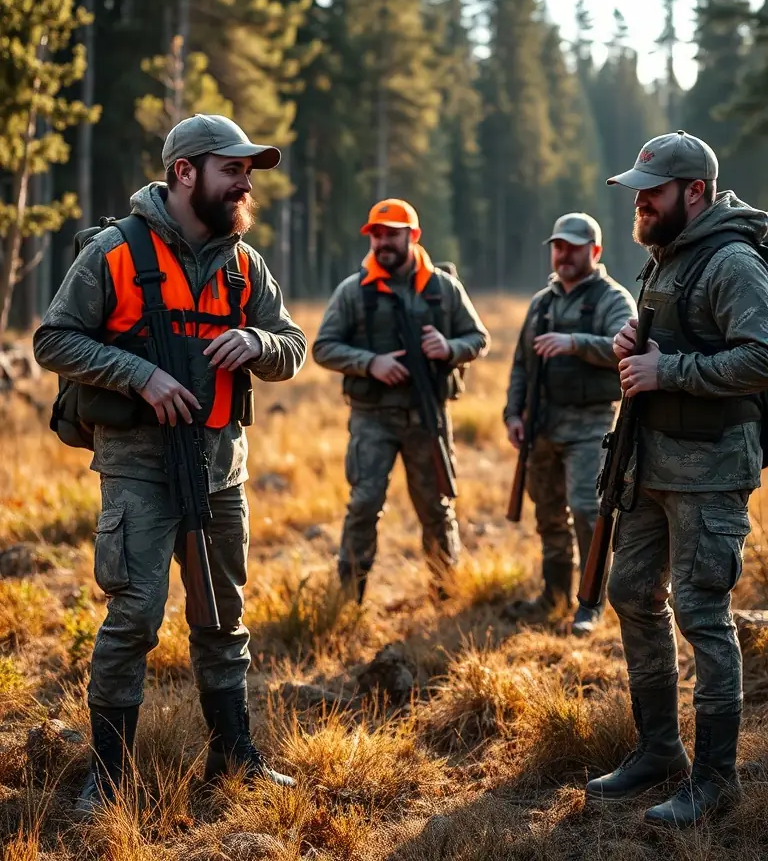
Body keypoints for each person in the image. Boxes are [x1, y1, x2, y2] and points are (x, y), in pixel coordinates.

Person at [33, 114, 307, 813]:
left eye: (250, 171)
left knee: (223, 615)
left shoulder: (245, 260)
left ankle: (234, 756)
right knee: (135, 618)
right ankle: (111, 773)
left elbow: (293, 343)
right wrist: (138, 375)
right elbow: (53, 339)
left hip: (221, 466)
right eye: (233, 169)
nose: (247, 182)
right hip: (139, 467)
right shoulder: (117, 253)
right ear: (185, 172)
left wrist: (256, 342)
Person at [585, 130, 768, 827]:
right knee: (631, 590)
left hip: (711, 470)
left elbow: (762, 356)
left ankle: (717, 781)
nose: (640, 204)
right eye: (636, 193)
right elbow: (674, 340)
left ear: (695, 191)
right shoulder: (665, 257)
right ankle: (661, 751)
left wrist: (670, 371)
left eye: (651, 193)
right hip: (649, 462)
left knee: (702, 615)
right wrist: (632, 348)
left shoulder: (732, 261)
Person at [312, 198, 489, 602]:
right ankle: (348, 599)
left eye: (392, 234)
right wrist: (369, 363)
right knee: (363, 504)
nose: (382, 242)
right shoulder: (353, 291)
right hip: (372, 417)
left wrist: (448, 347)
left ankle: (444, 594)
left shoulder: (444, 288)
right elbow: (323, 347)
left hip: (429, 416)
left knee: (436, 507)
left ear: (413, 235)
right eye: (376, 234)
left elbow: (478, 338)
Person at [503, 213, 637, 636]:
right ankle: (553, 594)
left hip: (589, 422)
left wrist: (575, 343)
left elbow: (626, 347)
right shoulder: (542, 302)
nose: (564, 254)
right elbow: (521, 365)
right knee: (547, 514)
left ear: (594, 252)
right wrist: (513, 413)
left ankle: (590, 603)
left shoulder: (612, 298)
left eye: (574, 247)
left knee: (586, 508)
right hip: (541, 424)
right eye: (558, 246)